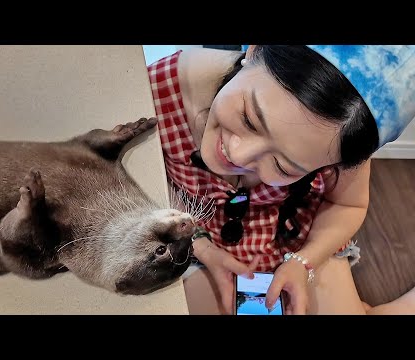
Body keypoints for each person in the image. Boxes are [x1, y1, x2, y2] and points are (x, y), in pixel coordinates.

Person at [146, 45, 415, 315]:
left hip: (294, 235)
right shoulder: (156, 89)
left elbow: (348, 205)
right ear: (254, 51)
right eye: (249, 118)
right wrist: (200, 246)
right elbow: (133, 186)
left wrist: (302, 262)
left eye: (282, 166)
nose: (238, 154)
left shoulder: (343, 131)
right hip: (190, 232)